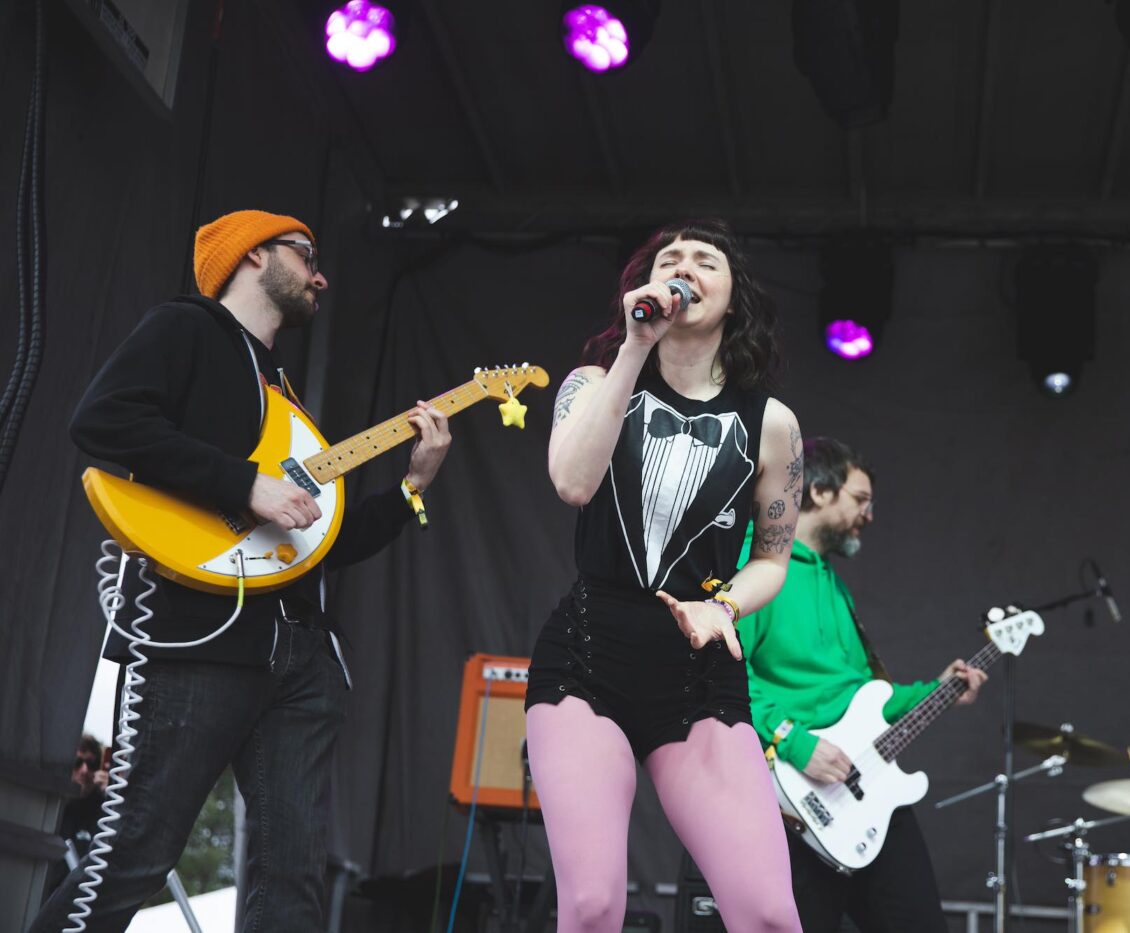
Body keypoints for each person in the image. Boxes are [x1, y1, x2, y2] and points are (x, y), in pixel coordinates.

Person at [31, 210, 452, 932]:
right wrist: (243, 483)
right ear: (254, 254)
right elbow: (102, 418)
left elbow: (325, 541)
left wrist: (413, 487)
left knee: (293, 877)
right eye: (306, 254)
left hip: (301, 652)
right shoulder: (185, 328)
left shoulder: (281, 388)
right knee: (135, 853)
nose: (321, 275)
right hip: (201, 637)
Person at [525, 219, 804, 932]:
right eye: (668, 260)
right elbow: (572, 483)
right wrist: (635, 348)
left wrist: (724, 606)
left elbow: (773, 558)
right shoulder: (593, 383)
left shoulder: (771, 423)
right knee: (591, 906)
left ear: (734, 297)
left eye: (705, 260)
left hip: (698, 671)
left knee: (770, 914)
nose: (684, 268)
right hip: (588, 660)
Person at [736, 436, 987, 933]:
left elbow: (866, 697)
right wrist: (793, 741)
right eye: (860, 499)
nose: (869, 516)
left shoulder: (835, 585)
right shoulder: (756, 566)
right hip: (787, 798)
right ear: (819, 491)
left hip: (859, 792)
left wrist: (939, 690)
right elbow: (722, 676)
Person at [44, 735, 109, 898]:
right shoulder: (47, 805)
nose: (84, 770)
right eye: (77, 763)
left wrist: (113, 798)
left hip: (85, 902)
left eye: (91, 764)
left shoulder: (104, 810)